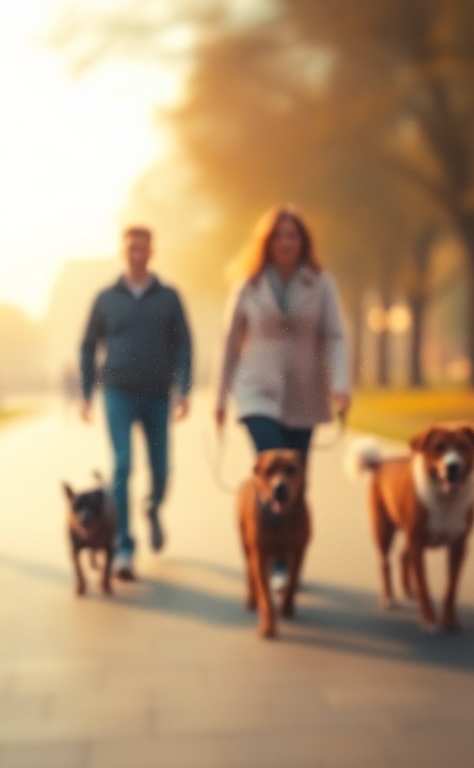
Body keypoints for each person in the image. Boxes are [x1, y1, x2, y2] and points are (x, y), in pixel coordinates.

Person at [215, 206, 350, 585]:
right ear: (267, 243)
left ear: (302, 243)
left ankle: (289, 551)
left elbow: (336, 336)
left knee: (296, 475)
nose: (286, 242)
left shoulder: (321, 285)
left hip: (305, 392)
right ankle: (271, 558)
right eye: (278, 236)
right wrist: (220, 398)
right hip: (255, 389)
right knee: (270, 464)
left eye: (293, 236)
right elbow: (228, 343)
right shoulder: (247, 285)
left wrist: (341, 384)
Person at [80, 225, 193, 582]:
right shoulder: (105, 297)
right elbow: (87, 346)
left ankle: (153, 507)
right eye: (131, 248)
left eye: (143, 248)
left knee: (160, 469)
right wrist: (86, 392)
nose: (137, 253)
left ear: (151, 252)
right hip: (117, 392)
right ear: (122, 251)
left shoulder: (169, 297)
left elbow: (184, 345)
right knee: (123, 466)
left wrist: (184, 389)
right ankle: (124, 548)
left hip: (158, 395)